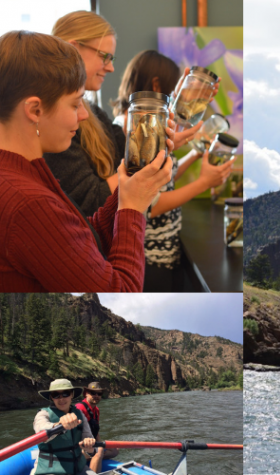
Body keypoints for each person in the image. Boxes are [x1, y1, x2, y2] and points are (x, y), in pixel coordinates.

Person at [0, 30, 172, 291]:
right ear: (35, 110)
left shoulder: (23, 175)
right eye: (75, 104)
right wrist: (133, 210)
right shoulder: (29, 203)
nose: (83, 116)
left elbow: (76, 240)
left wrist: (129, 191)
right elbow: (121, 295)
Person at [46, 11, 201, 217]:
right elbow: (93, 200)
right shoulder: (55, 123)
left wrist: (170, 110)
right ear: (74, 49)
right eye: (105, 57)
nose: (110, 68)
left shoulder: (95, 113)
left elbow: (130, 155)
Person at [112, 50, 234, 291]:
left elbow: (161, 178)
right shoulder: (133, 125)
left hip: (164, 253)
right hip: (151, 260)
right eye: (174, 84)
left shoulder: (149, 122)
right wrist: (203, 183)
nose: (178, 94)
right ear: (157, 84)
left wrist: (196, 152)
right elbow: (150, 203)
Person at [33, 379, 97, 475]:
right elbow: (40, 429)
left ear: (72, 394)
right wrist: (58, 425)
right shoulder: (43, 414)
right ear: (51, 397)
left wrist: (89, 447)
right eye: (56, 395)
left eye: (66, 394)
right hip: (51, 470)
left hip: (78, 468)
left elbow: (89, 441)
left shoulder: (80, 414)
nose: (61, 399)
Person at [75, 383, 117, 473]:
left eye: (99, 394)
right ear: (86, 393)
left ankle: (92, 458)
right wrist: (97, 449)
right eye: (93, 393)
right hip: (78, 447)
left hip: (91, 445)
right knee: (99, 450)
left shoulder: (96, 410)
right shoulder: (79, 408)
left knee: (115, 450)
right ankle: (92, 458)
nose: (96, 396)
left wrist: (99, 444)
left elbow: (96, 432)